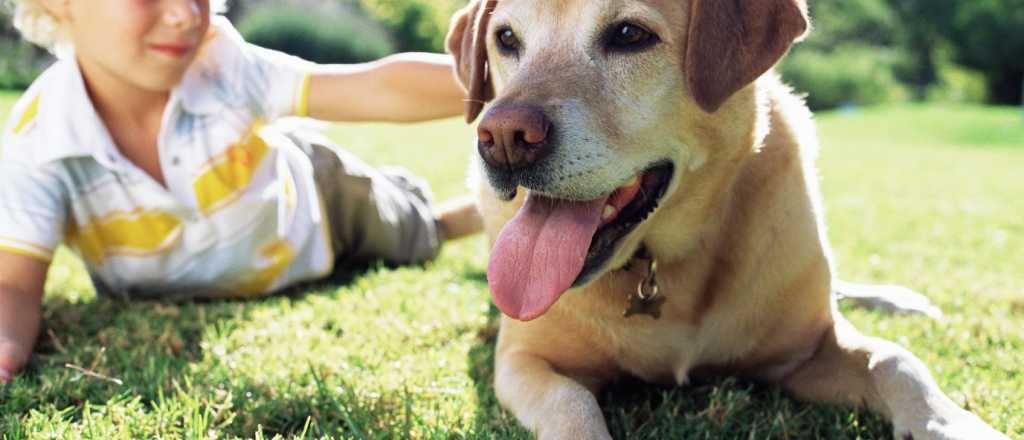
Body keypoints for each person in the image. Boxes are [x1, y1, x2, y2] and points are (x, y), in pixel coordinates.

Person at [0, 0, 482, 382]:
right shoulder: (39, 140)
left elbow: (375, 87)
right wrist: (6, 349)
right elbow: (14, 284)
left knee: (412, 235)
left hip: (318, 203)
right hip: (236, 248)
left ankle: (452, 217)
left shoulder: (222, 65)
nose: (185, 13)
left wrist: (501, 76)